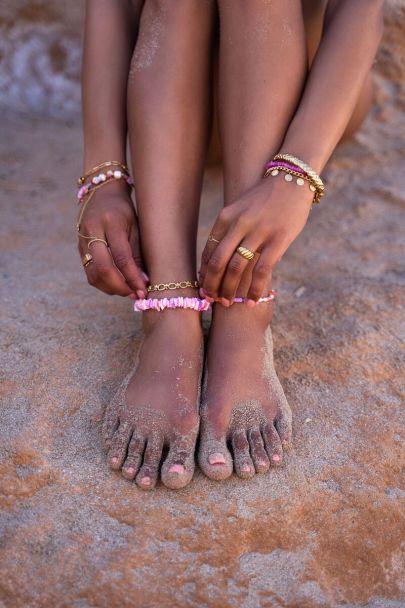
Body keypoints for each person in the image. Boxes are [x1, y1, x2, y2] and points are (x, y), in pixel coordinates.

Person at [77, 0, 384, 490]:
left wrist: (296, 174)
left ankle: (242, 305)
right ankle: (170, 308)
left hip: (305, 110)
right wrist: (104, 176)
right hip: (166, 107)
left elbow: (363, 11)